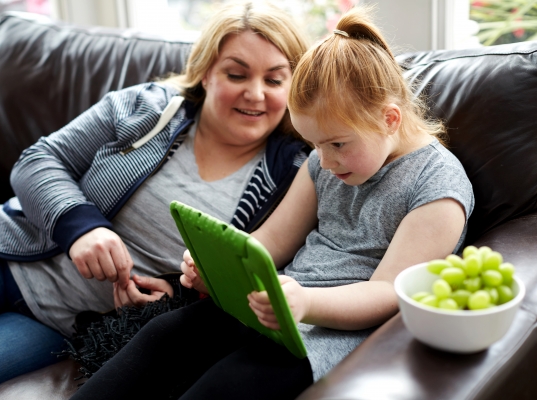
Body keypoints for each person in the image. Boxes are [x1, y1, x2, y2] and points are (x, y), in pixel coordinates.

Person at [68, 6, 475, 400]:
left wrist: (306, 302)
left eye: (337, 144)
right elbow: (273, 240)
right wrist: (220, 265)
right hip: (279, 305)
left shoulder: (437, 185)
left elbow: (389, 293)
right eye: (315, 144)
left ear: (390, 119)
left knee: (226, 384)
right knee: (161, 337)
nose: (325, 161)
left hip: (333, 336)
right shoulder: (324, 161)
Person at [0, 2, 310, 399]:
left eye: (275, 80)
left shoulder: (293, 176)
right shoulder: (149, 106)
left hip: (59, 322)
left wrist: (172, 295)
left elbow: (243, 278)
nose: (255, 93)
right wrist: (81, 228)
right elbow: (37, 161)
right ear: (207, 73)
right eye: (236, 73)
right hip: (2, 254)